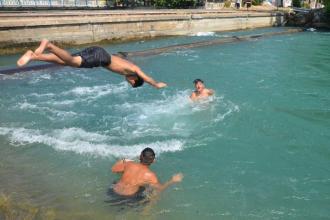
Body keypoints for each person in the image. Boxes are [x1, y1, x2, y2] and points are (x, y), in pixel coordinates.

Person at [17, 39, 167, 89]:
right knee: (72, 61)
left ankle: (35, 56)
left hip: (98, 51)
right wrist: (155, 84)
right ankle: (49, 45)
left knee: (66, 61)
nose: (128, 82)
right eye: (131, 83)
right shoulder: (133, 69)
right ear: (134, 80)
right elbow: (145, 77)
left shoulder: (127, 64)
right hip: (100, 57)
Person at [111, 148, 183, 197]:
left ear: (140, 156)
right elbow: (160, 188)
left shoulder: (129, 164)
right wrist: (172, 180)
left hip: (113, 191)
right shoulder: (151, 176)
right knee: (153, 193)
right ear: (153, 161)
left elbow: (114, 169)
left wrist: (123, 160)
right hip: (128, 198)